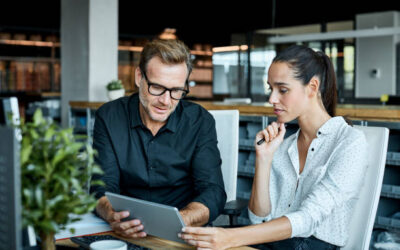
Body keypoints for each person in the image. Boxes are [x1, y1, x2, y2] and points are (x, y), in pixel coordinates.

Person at [179, 45, 368, 250]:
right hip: (273, 244)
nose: (272, 99)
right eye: (271, 89)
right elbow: (258, 218)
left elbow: (308, 219)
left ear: (313, 87)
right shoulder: (283, 145)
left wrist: (230, 237)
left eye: (283, 90)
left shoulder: (350, 142)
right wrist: (264, 159)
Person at [90, 39, 226, 239]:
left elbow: (213, 191)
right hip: (126, 231)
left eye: (176, 90)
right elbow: (101, 185)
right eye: (156, 87)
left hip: (182, 233)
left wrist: (180, 220)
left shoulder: (200, 121)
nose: (165, 101)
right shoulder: (109, 117)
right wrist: (112, 215)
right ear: (139, 77)